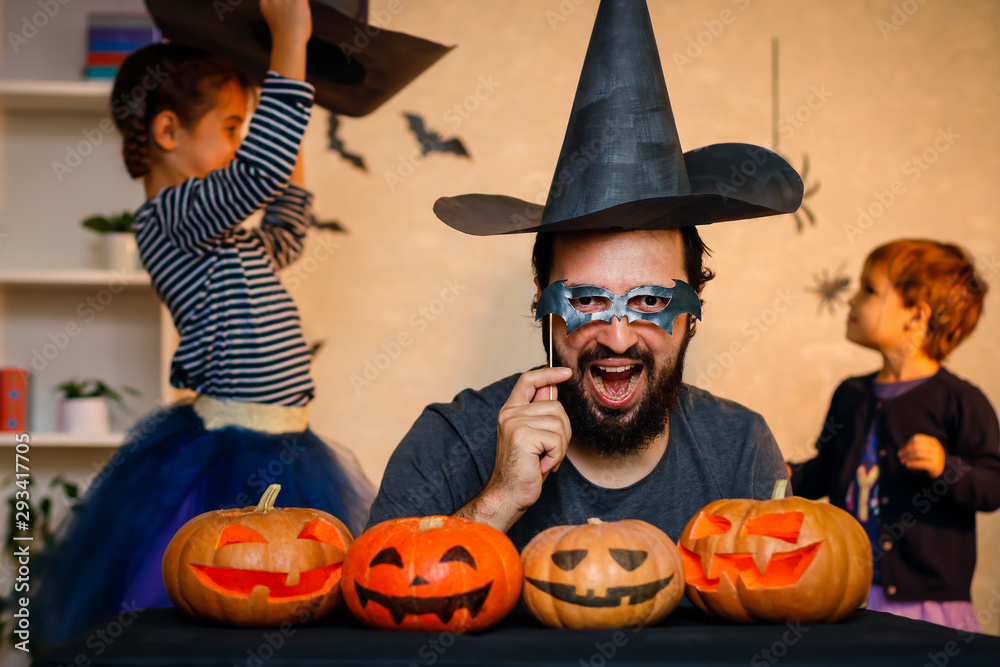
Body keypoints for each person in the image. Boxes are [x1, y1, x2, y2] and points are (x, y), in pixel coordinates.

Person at [368, 0, 804, 549]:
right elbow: (380, 612)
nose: (617, 338)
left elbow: (782, 610)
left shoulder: (739, 447)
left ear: (694, 308)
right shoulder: (452, 438)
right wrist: (501, 499)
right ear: (541, 303)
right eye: (588, 301)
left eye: (650, 302)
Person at [33, 0, 373, 650]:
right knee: (207, 610)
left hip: (286, 438)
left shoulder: (220, 238)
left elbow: (287, 230)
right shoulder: (170, 215)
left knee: (283, 604)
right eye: (231, 126)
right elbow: (260, 173)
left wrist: (291, 107)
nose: (240, 143)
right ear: (167, 133)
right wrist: (289, 40)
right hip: (228, 445)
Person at [790, 239, 1000, 632]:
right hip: (849, 592)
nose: (852, 301)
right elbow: (825, 470)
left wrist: (945, 467)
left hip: (927, 605)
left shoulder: (960, 400)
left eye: (869, 290)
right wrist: (781, 472)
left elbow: (993, 485)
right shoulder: (850, 393)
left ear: (916, 317)